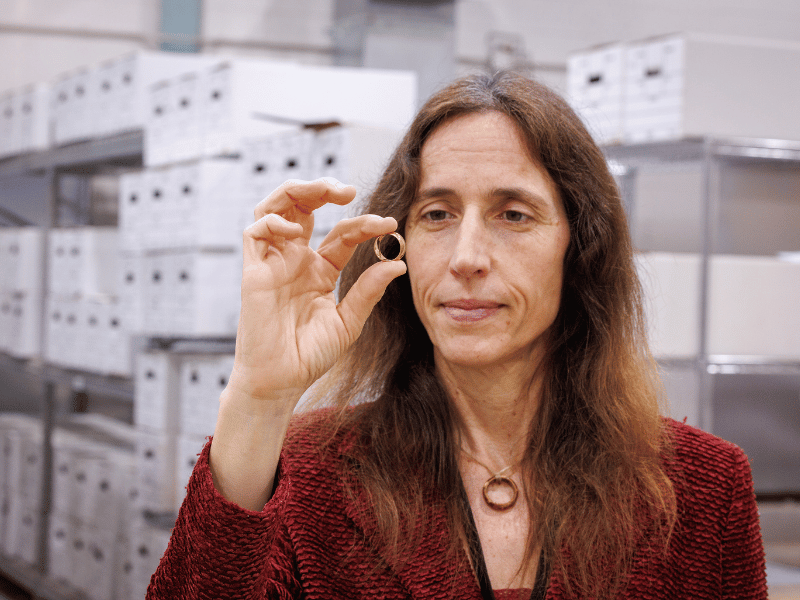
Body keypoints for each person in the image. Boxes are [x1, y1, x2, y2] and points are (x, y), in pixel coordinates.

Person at [146, 71, 767, 599]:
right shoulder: (307, 474)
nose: (466, 257)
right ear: (400, 245)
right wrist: (257, 397)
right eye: (437, 214)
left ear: (579, 248)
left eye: (513, 214)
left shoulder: (703, 492)